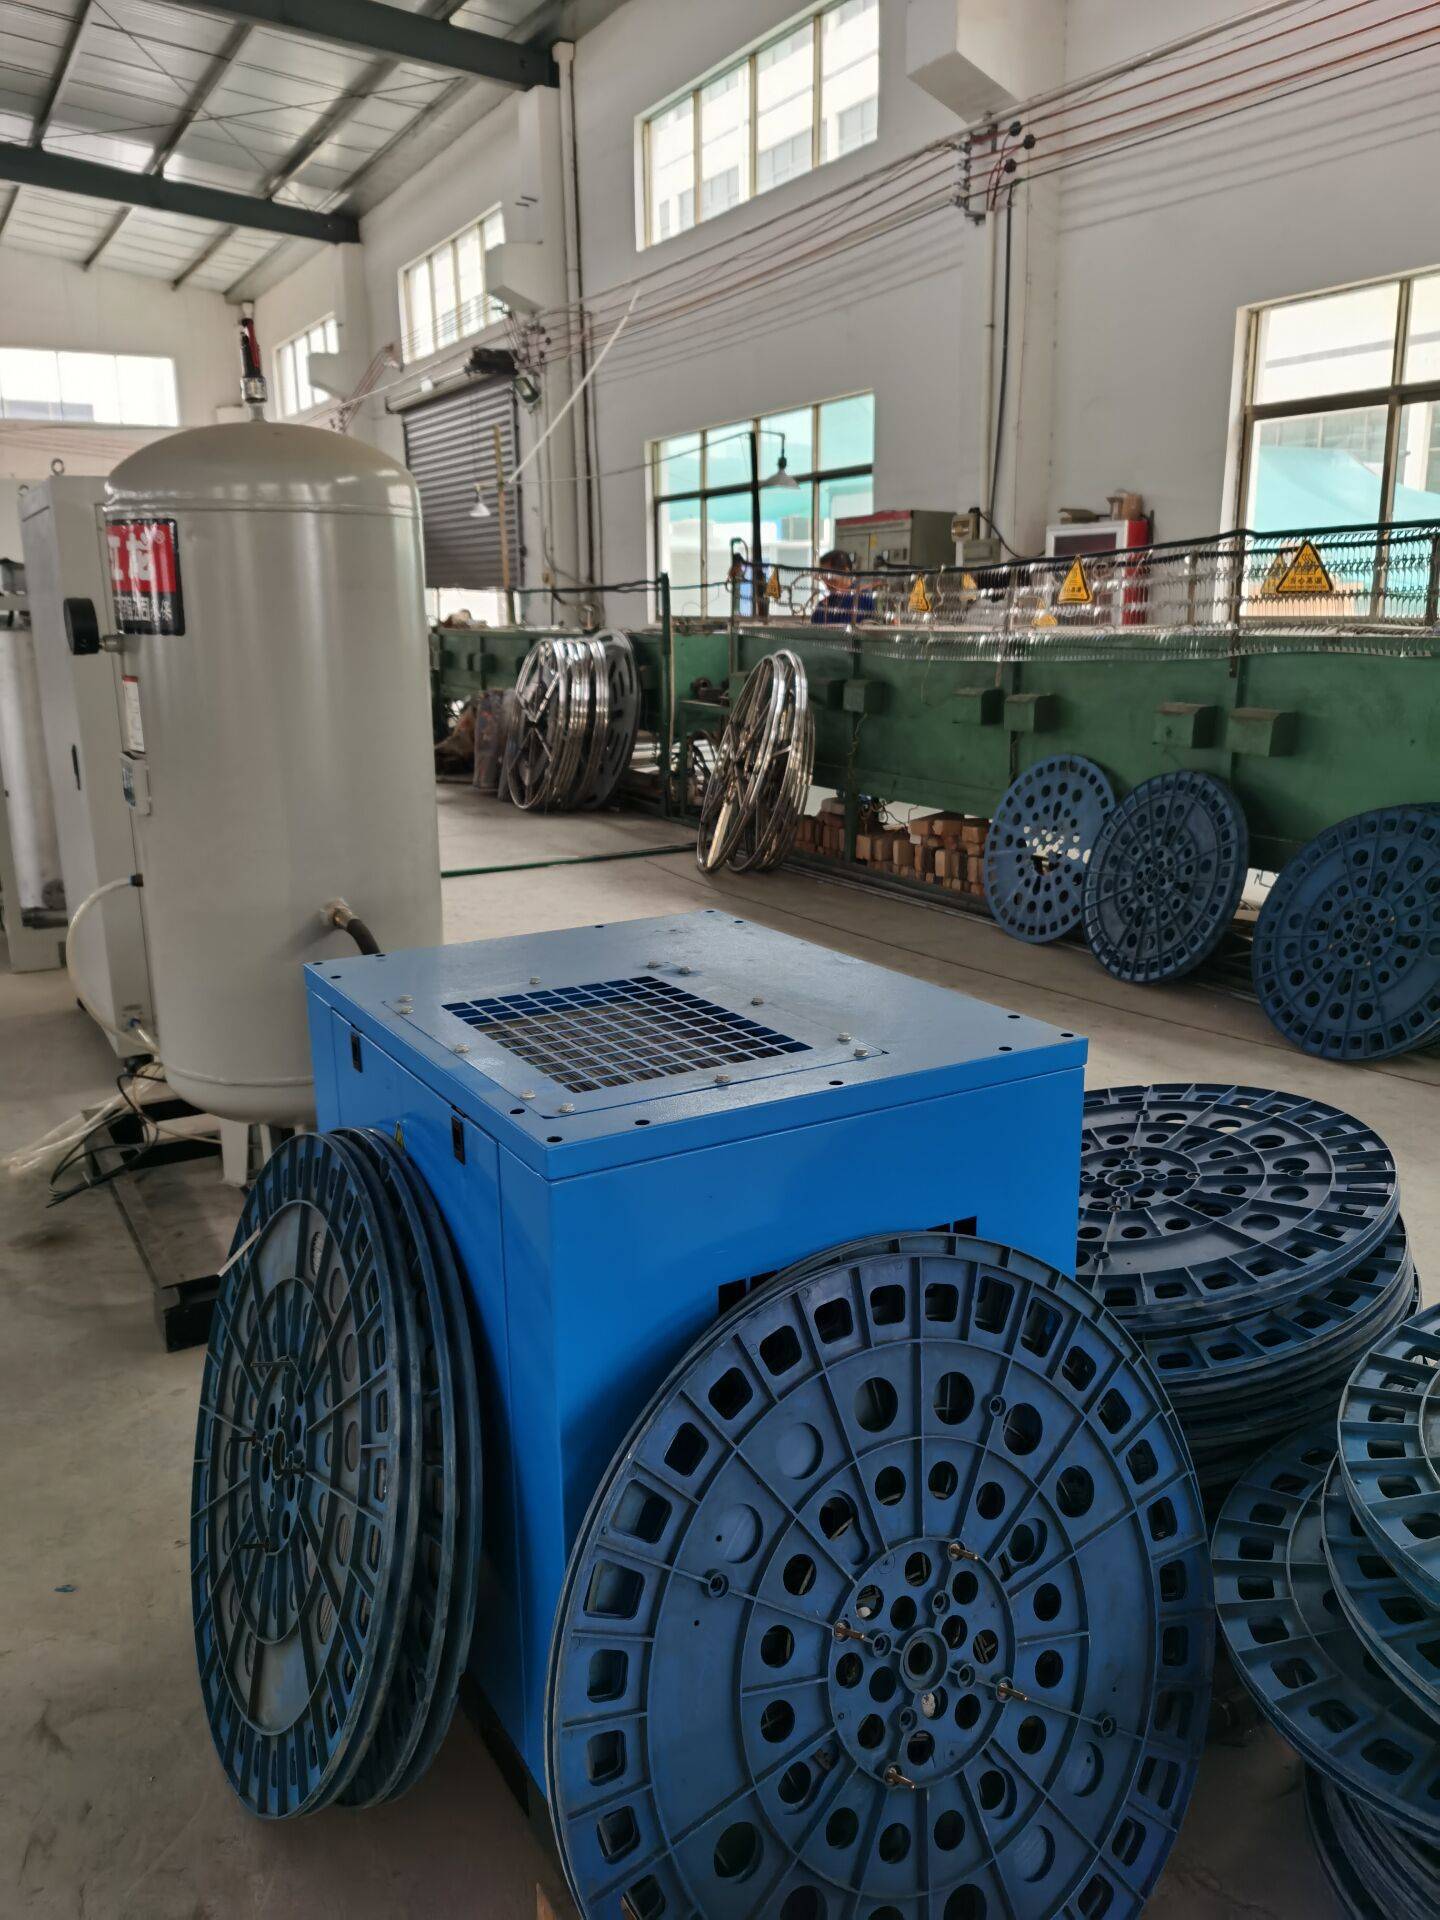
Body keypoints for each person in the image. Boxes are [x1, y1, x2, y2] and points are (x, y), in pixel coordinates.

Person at [811, 549, 875, 626]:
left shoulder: (864, 599)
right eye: (823, 577)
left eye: (830, 577)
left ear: (845, 572)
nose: (826, 582)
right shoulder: (822, 605)